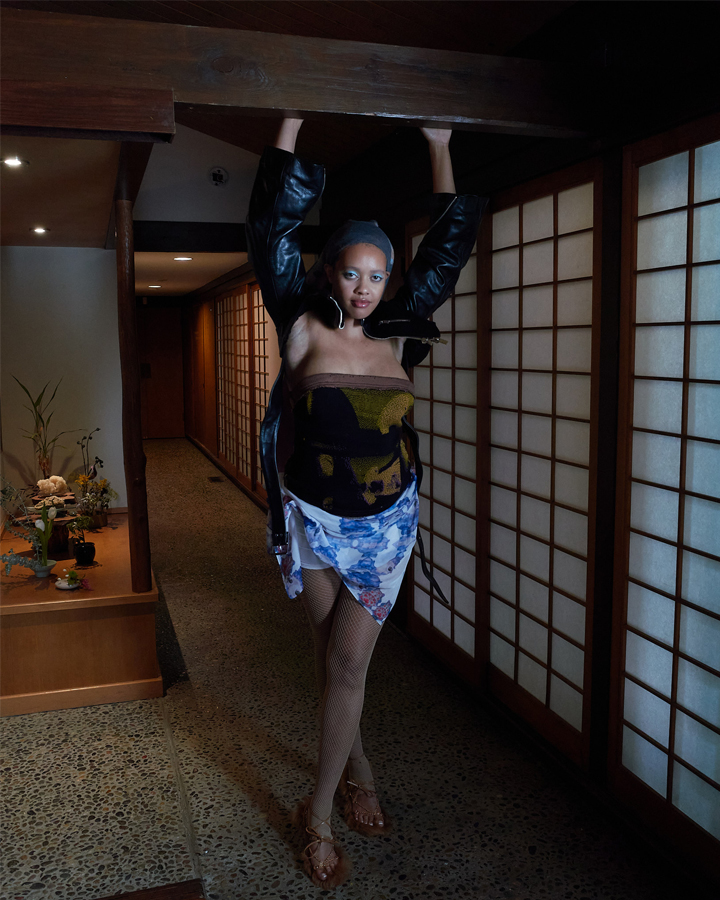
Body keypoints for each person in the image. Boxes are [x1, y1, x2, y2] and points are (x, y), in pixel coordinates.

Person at [247, 117, 485, 888]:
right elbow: (271, 231)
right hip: (314, 520)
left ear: (389, 279)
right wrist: (287, 123)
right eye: (351, 272)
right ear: (329, 274)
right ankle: (362, 770)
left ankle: (313, 814)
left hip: (384, 529)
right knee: (331, 663)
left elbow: (447, 246)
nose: (365, 286)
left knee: (347, 664)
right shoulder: (302, 327)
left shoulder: (401, 334)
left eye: (377, 274)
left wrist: (439, 144)